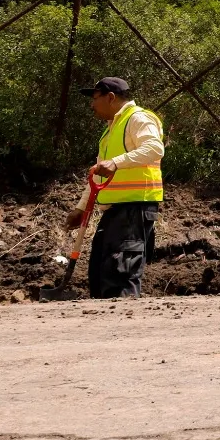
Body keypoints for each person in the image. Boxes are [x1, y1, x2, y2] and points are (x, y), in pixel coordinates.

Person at [68, 76, 164, 298]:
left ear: (110, 97)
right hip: (114, 210)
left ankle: (125, 326)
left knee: (119, 274)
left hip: (135, 209)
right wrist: (81, 209)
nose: (91, 105)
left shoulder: (138, 119)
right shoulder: (110, 130)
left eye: (94, 98)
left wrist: (116, 162)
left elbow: (154, 149)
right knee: (100, 273)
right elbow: (98, 176)